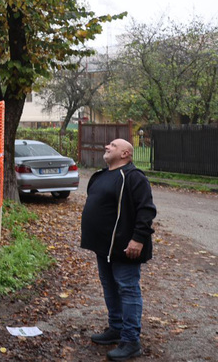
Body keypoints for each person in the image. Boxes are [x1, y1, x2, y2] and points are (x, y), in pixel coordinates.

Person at [81, 138, 156, 361]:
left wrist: (138, 239)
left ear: (125, 154)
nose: (107, 147)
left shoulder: (134, 177)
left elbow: (146, 210)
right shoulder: (102, 175)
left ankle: (131, 340)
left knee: (128, 289)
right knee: (110, 287)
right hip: (103, 247)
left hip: (125, 247)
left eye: (113, 146)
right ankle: (116, 328)